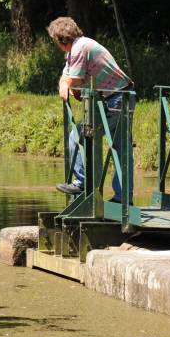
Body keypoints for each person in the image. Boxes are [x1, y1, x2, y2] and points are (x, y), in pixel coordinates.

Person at [47, 16, 135, 203]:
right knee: (121, 148)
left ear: (60, 40)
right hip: (119, 97)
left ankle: (82, 182)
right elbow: (67, 76)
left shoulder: (79, 48)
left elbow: (75, 81)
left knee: (78, 136)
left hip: (115, 99)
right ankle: (123, 198)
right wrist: (64, 85)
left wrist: (68, 86)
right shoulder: (79, 47)